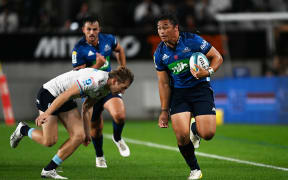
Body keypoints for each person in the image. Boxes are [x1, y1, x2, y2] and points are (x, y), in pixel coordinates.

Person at [10, 66, 134, 179]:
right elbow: (66, 94)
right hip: (50, 94)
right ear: (114, 81)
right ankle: (23, 129)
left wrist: (86, 133)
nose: (122, 92)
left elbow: (86, 107)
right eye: (123, 88)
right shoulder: (96, 80)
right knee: (49, 141)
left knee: (79, 136)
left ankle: (49, 170)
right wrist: (47, 113)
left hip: (66, 98)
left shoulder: (106, 89)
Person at [153, 13, 223, 180]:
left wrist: (208, 71)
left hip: (201, 89)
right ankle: (195, 169)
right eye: (159, 28)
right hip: (179, 94)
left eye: (165, 27)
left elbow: (217, 57)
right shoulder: (159, 53)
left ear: (175, 28)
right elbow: (163, 83)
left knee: (208, 134)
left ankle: (195, 129)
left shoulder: (193, 41)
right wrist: (164, 110)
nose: (161, 32)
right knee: (182, 136)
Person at [71, 16, 129, 168]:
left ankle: (117, 138)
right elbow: (80, 77)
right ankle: (100, 156)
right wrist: (97, 64)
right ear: (83, 30)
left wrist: (122, 67)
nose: (91, 32)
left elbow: (120, 50)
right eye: (88, 29)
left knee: (120, 115)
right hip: (91, 92)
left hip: (109, 87)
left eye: (94, 29)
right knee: (96, 130)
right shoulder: (78, 49)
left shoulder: (108, 39)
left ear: (99, 29)